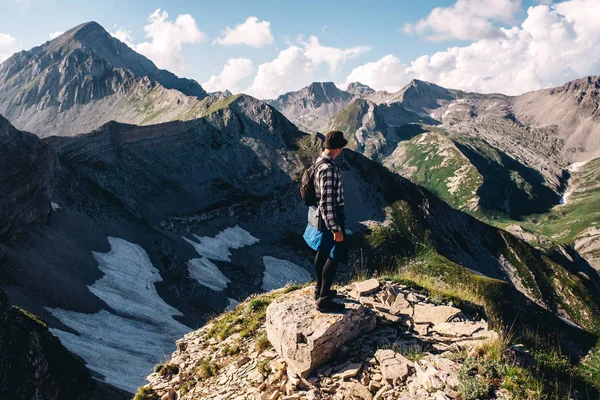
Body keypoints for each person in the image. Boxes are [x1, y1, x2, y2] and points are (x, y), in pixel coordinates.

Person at [303, 130, 348, 312]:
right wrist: (335, 227)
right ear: (338, 148)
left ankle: (320, 290)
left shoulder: (319, 162)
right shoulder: (328, 169)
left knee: (322, 251)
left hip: (319, 216)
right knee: (335, 253)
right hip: (331, 216)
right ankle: (323, 299)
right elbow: (327, 201)